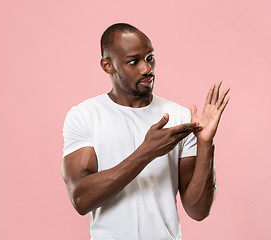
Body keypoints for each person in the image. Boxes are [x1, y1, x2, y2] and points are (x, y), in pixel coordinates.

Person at [62, 23, 230, 240]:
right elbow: (81, 199)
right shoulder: (85, 115)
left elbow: (198, 211)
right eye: (134, 62)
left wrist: (206, 144)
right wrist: (147, 152)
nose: (146, 69)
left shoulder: (179, 118)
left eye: (150, 58)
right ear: (107, 66)